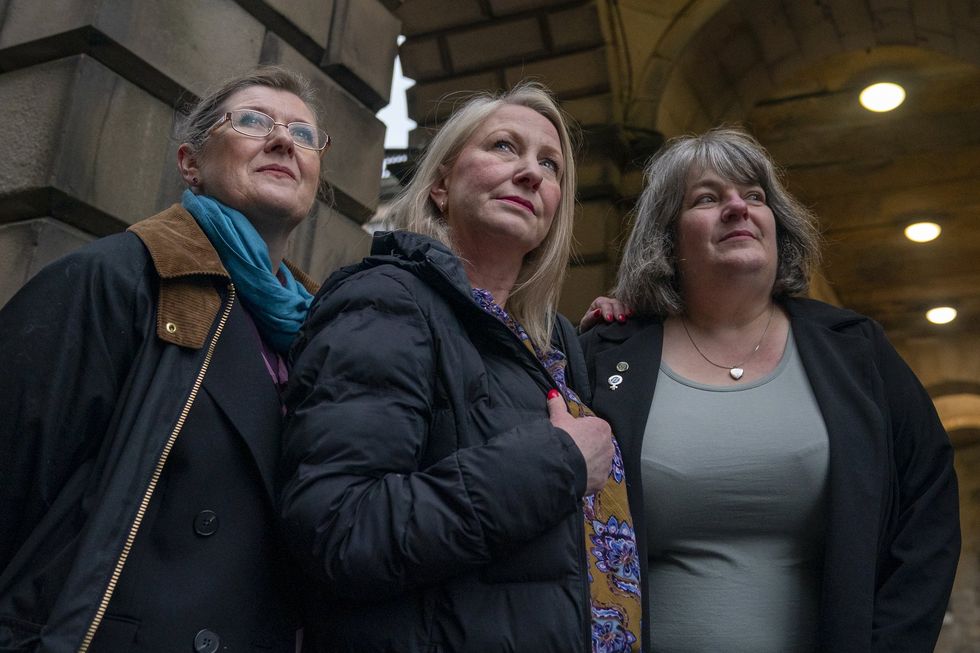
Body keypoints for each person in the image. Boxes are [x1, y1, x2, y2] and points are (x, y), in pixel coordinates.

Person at [280, 82, 641, 652]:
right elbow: (341, 530)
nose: (531, 173)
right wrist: (557, 463)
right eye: (504, 147)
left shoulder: (559, 346)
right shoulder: (387, 300)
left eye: (550, 165)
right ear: (441, 185)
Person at [579, 127, 960, 652]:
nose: (738, 207)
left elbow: (928, 511)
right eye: (708, 198)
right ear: (667, 237)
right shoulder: (609, 356)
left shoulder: (855, 350)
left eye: (754, 196)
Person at [0, 66, 328, 651]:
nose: (283, 140)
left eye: (303, 134)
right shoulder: (113, 279)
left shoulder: (323, 340)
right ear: (190, 163)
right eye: (253, 121)